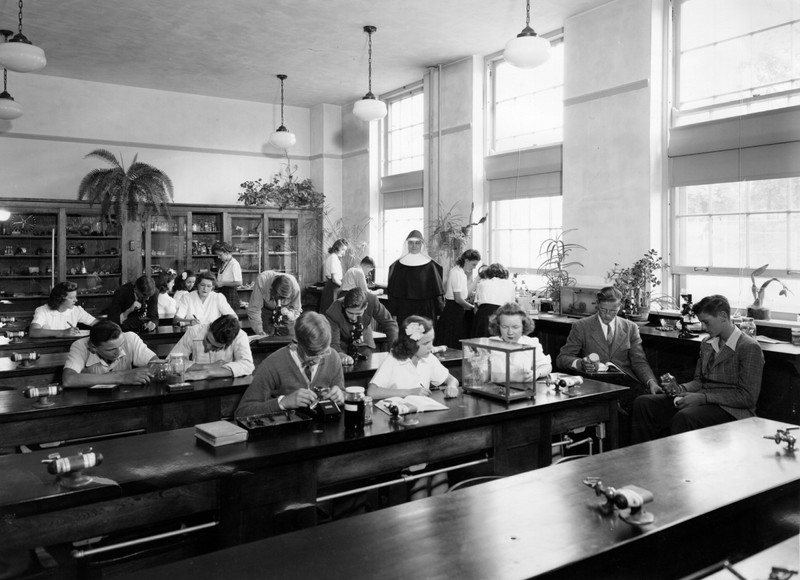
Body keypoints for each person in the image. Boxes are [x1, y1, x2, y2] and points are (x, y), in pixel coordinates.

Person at [631, 295, 764, 443]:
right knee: (644, 404)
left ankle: (675, 465)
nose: (704, 328)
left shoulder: (749, 347)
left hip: (731, 410)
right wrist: (680, 389)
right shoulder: (707, 343)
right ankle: (645, 459)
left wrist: (703, 398)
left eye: (707, 322)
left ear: (723, 316)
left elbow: (747, 398)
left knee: (685, 417)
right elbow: (699, 381)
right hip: (703, 400)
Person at [556, 286, 659, 446]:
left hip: (625, 383)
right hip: (595, 383)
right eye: (603, 310)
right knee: (617, 414)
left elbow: (639, 361)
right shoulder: (582, 326)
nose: (607, 315)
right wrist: (580, 364)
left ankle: (641, 454)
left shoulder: (630, 327)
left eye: (613, 311)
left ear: (620, 307)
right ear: (597, 304)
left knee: (644, 406)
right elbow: (562, 358)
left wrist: (651, 382)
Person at [235, 312, 345, 417]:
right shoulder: (273, 364)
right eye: (312, 355)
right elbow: (242, 412)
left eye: (324, 353)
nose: (317, 360)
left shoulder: (333, 358)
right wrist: (282, 402)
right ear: (297, 342)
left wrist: (342, 396)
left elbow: (342, 393)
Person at [368, 315, 459, 401]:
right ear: (411, 344)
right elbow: (372, 392)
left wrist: (452, 386)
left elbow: (451, 379)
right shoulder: (393, 360)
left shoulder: (428, 358)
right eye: (425, 343)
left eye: (431, 341)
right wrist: (410, 392)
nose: (431, 347)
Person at [62, 320, 158, 387]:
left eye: (121, 345)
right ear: (93, 348)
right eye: (111, 349)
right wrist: (122, 378)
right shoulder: (80, 345)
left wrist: (118, 374)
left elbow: (157, 365)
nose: (119, 351)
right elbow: (69, 380)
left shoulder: (130, 338)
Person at [325, 287, 399, 365]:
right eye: (350, 313)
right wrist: (341, 355)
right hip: (342, 342)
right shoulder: (333, 311)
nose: (353, 318)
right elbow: (334, 344)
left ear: (366, 306)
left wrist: (393, 352)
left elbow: (390, 324)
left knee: (366, 368)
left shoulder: (372, 300)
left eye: (358, 314)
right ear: (343, 306)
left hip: (363, 339)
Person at [169, 314, 254, 380]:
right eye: (207, 340)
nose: (207, 348)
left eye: (215, 347)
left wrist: (207, 373)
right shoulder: (194, 331)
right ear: (209, 328)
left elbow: (247, 365)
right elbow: (171, 361)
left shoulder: (240, 336)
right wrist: (205, 366)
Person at [386, 230, 445, 324]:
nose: (414, 246)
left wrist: (440, 312)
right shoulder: (398, 265)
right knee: (406, 337)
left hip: (425, 310)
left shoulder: (430, 265)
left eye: (417, 243)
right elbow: (393, 294)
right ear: (407, 244)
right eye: (411, 243)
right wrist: (393, 313)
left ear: (422, 245)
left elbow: (437, 293)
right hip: (404, 310)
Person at [487, 302, 552, 382]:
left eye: (515, 327)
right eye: (505, 327)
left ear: (523, 326)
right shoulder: (489, 344)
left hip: (523, 391)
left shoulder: (530, 343)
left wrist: (537, 373)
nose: (510, 332)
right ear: (498, 326)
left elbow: (546, 366)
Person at [435, 249, 480, 348]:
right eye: (473, 264)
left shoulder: (461, 273)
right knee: (451, 340)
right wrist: (473, 307)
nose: (474, 267)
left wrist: (477, 279)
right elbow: (458, 299)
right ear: (467, 260)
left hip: (457, 310)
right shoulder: (456, 273)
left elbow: (465, 295)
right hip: (452, 310)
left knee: (455, 339)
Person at [29, 281, 97, 337]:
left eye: (75, 297)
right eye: (71, 298)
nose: (76, 300)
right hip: (47, 348)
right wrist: (63, 332)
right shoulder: (43, 310)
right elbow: (33, 332)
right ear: (60, 299)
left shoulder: (77, 310)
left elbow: (98, 324)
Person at [247, 270, 302, 337]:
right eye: (279, 299)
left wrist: (290, 316)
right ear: (272, 291)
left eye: (284, 299)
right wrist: (260, 331)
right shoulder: (262, 280)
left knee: (287, 339)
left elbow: (296, 310)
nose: (281, 303)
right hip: (266, 310)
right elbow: (254, 309)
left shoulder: (295, 288)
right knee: (267, 339)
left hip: (285, 313)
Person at [471, 263, 516, 338]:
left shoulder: (482, 284)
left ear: (488, 273)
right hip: (502, 316)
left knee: (480, 345)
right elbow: (512, 307)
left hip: (484, 316)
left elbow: (475, 309)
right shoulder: (511, 285)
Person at [320, 239, 348, 314]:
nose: (344, 253)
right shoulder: (333, 258)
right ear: (337, 248)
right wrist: (344, 286)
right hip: (333, 288)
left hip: (332, 287)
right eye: (342, 250)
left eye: (345, 250)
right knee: (331, 311)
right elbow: (335, 279)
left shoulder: (332, 257)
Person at [211, 241, 242, 309]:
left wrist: (222, 283)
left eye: (220, 255)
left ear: (227, 253)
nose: (218, 257)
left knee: (229, 317)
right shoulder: (224, 263)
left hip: (230, 295)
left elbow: (239, 283)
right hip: (223, 292)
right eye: (217, 255)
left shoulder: (234, 264)